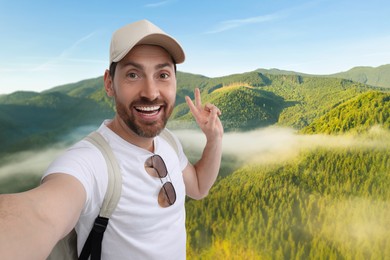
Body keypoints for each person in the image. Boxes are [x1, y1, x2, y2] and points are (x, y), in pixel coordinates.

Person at [0, 19, 223, 259]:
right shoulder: (90, 162)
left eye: (163, 74)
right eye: (133, 74)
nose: (150, 92)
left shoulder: (167, 140)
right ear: (109, 83)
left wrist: (214, 138)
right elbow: (37, 215)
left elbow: (199, 187)